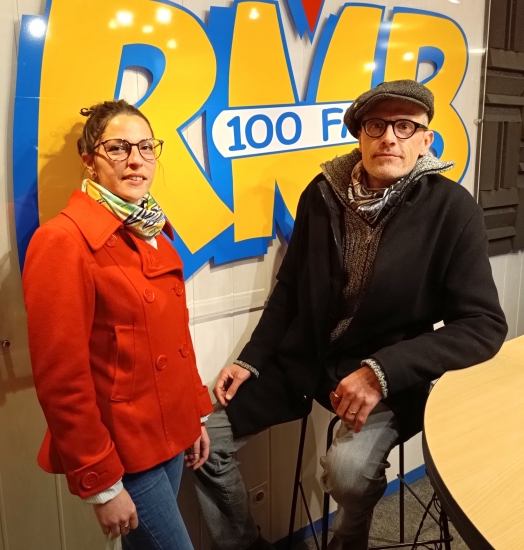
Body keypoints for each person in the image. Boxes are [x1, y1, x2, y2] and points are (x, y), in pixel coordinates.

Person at [193, 80, 508, 550]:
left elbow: (484, 326)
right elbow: (290, 289)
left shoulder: (452, 209)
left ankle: (348, 543)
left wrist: (381, 372)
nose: (389, 138)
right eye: (376, 125)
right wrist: (250, 359)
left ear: (426, 140)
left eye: (405, 127)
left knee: (347, 474)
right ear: (360, 135)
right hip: (304, 363)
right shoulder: (321, 193)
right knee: (199, 437)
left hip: (388, 378)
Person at [23, 99, 213, 550]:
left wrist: (192, 416)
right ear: (89, 160)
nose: (136, 160)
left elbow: (173, 337)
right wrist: (102, 483)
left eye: (146, 147)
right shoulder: (62, 241)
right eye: (118, 148)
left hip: (167, 432)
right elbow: (62, 380)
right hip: (122, 448)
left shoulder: (149, 227)